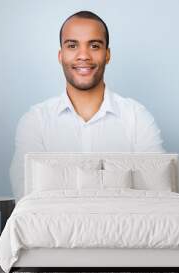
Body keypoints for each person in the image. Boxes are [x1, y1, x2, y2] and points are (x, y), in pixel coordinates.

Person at [10, 11, 165, 201]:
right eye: (72, 45)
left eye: (94, 45)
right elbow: (27, 197)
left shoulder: (137, 118)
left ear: (107, 55)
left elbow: (158, 194)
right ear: (60, 55)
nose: (83, 55)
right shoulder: (35, 121)